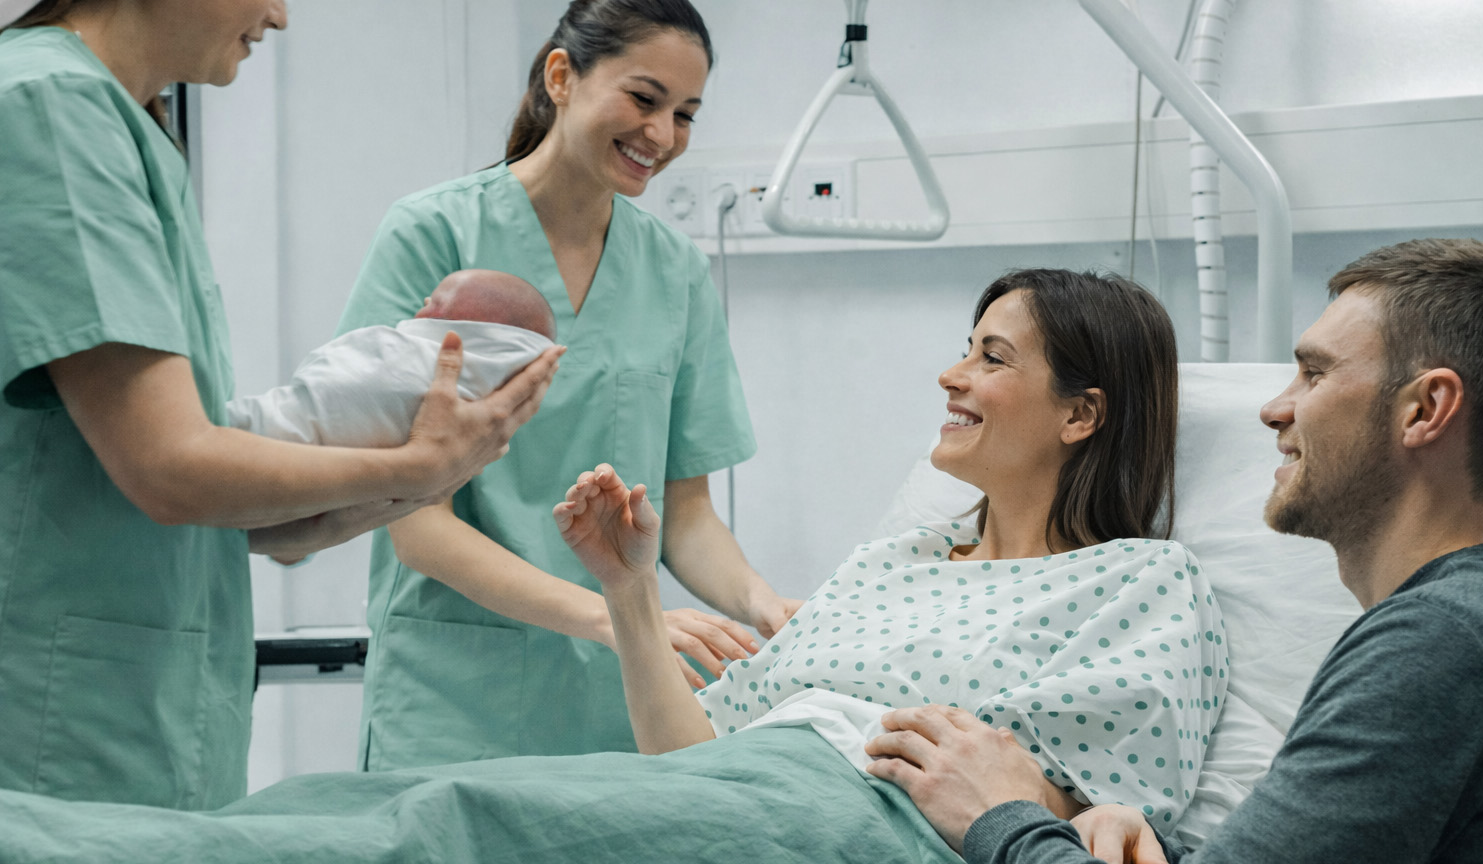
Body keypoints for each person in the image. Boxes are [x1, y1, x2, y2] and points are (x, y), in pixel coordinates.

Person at [0, 268, 1225, 864]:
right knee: (349, 807)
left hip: (867, 821)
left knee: (457, 825)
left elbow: (1110, 819)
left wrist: (1019, 806)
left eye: (993, 359)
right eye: (964, 348)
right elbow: (688, 756)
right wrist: (633, 588)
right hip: (740, 792)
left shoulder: (1142, 586)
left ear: (1083, 414)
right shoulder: (894, 561)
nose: (952, 378)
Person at [0, 1, 560, 810]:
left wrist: (418, 480)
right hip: (57, 728)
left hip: (136, 721)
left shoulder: (129, 128)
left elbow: (241, 521)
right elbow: (170, 469)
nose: (280, 14)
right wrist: (418, 464)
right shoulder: (50, 107)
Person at [873, 239, 1483, 864]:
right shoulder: (1464, 631)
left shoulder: (1443, 646)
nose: (1275, 410)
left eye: (1314, 373)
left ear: (1425, 410)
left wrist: (1003, 812)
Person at [335, 0, 799, 771]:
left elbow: (685, 516)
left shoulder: (675, 272)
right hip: (455, 703)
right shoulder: (434, 236)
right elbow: (412, 520)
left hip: (622, 704)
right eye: (644, 99)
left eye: (685, 114)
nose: (663, 134)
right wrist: (613, 615)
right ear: (562, 76)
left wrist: (763, 603)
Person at [228, 270, 558, 449]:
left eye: (434, 303)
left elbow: (355, 366)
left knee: (261, 426)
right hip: (312, 457)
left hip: (285, 436)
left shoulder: (437, 364)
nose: (421, 310)